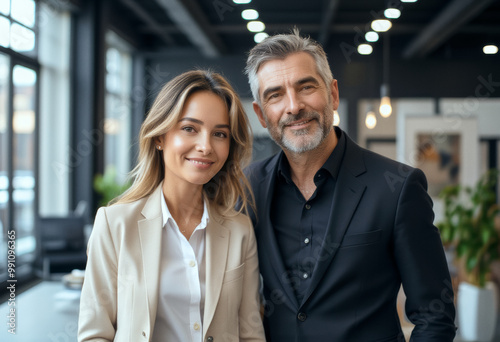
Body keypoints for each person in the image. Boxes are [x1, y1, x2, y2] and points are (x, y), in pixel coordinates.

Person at [243, 30, 456, 341]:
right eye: (275, 95)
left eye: (306, 87)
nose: (293, 106)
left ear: (333, 94)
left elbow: (434, 317)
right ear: (262, 115)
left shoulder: (397, 188)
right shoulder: (248, 189)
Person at [78, 70, 265, 342]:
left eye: (220, 134)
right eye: (189, 128)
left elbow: (250, 334)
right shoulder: (114, 224)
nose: (205, 146)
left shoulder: (240, 230)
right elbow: (95, 334)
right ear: (159, 137)